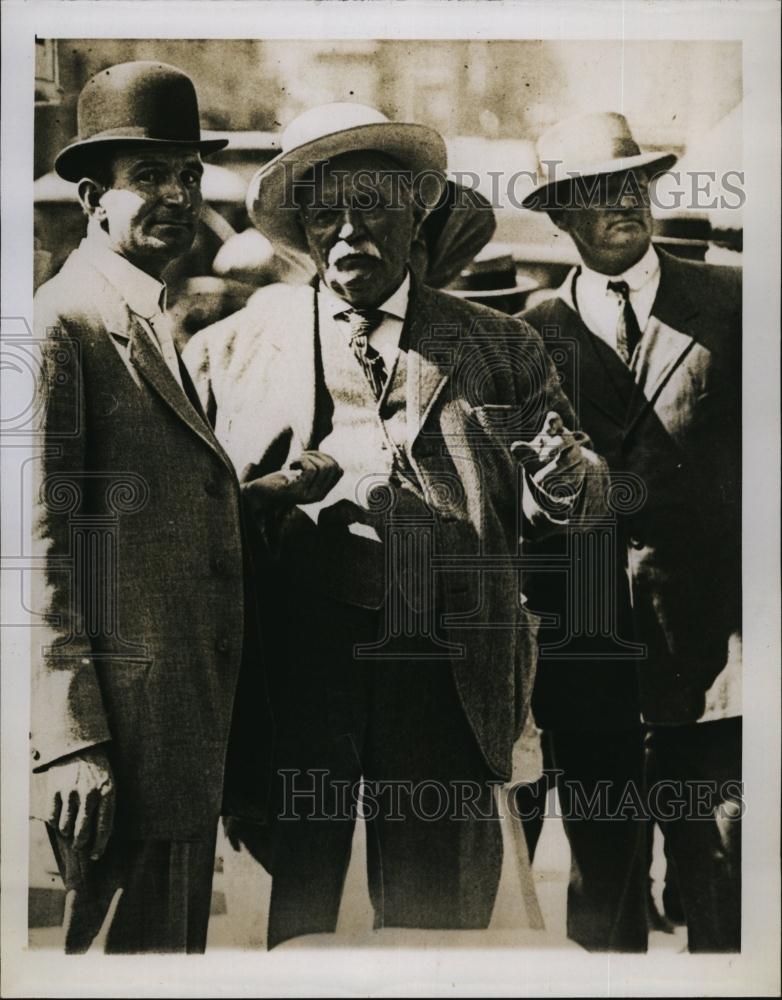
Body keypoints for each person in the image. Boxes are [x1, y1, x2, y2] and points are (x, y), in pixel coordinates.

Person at [184, 101, 608, 948]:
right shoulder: (226, 350)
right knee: (290, 923)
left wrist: (571, 478)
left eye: (373, 204)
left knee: (438, 926)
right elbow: (190, 528)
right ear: (301, 224)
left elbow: (579, 492)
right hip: (292, 681)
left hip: (447, 682)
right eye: (326, 210)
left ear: (418, 210)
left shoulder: (504, 346)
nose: (348, 231)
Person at [30, 60, 273, 953]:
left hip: (176, 736)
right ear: (94, 196)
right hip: (117, 753)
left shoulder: (147, 317)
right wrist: (71, 742)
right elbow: (38, 552)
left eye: (189, 175)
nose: (176, 195)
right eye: (149, 178)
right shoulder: (63, 326)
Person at [518, 111, 742, 953]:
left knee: (720, 881)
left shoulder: (735, 299)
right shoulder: (533, 333)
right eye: (594, 193)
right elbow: (520, 504)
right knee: (602, 889)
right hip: (586, 654)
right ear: (559, 214)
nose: (622, 204)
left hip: (713, 651)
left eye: (632, 185)